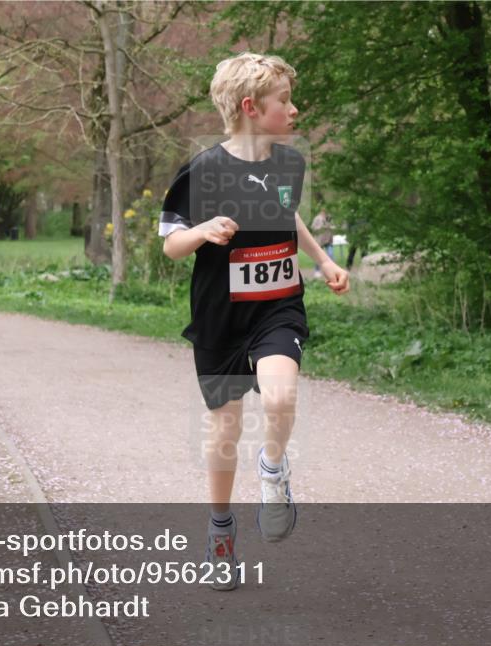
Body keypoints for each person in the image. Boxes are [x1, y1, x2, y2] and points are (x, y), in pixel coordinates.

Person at [158, 52, 349, 590]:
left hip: (277, 306)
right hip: (221, 315)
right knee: (225, 427)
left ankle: (272, 470)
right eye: (283, 101)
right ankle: (220, 534)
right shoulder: (203, 170)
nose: (294, 110)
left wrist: (324, 260)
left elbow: (285, 214)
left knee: (281, 397)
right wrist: (203, 231)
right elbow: (171, 244)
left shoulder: (288, 163)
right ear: (250, 108)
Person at [310, 206, 333, 278]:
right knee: (319, 256)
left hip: (328, 240)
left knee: (330, 255)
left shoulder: (329, 218)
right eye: (323, 211)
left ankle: (330, 271)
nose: (324, 213)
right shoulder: (317, 218)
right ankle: (317, 271)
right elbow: (313, 227)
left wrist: (330, 227)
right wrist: (320, 227)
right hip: (320, 241)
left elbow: (333, 226)